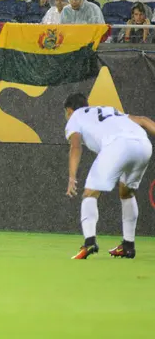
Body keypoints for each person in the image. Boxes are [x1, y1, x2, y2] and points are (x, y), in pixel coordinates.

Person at [63, 93, 155, 259]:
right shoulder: (109, 110)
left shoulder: (75, 117)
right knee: (126, 192)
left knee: (90, 193)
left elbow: (76, 146)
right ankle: (128, 246)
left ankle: (89, 242)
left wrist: (71, 177)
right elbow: (142, 120)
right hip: (143, 145)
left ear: (69, 110)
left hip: (117, 146)